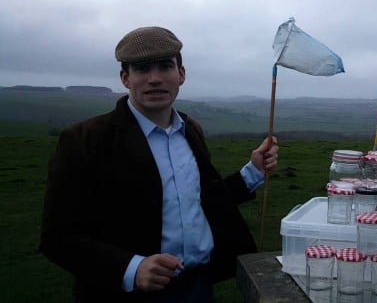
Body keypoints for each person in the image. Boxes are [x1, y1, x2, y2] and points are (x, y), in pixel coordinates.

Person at [39, 26, 278, 303]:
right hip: (126, 294)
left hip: (199, 287)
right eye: (142, 69)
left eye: (165, 66)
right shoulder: (86, 140)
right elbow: (58, 236)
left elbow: (199, 201)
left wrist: (253, 172)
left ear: (182, 74)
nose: (155, 79)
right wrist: (132, 267)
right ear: (125, 78)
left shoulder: (191, 130)